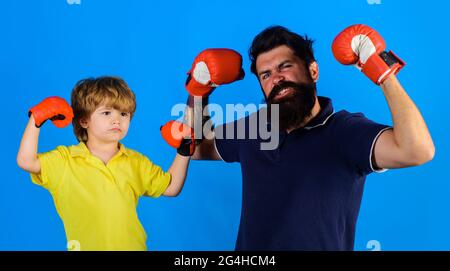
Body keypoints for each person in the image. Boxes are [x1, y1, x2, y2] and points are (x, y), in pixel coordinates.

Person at [175, 25, 435, 250]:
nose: (276, 78)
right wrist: (198, 91)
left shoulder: (345, 130)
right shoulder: (253, 128)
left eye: (285, 66)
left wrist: (381, 70)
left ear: (313, 71)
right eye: (266, 75)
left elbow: (417, 150)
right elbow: (193, 147)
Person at [17, 76, 192, 251]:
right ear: (84, 120)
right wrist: (36, 120)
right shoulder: (65, 160)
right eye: (107, 112)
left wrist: (184, 150)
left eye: (124, 114)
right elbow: (26, 161)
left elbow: (171, 187)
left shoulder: (135, 161)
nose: (117, 120)